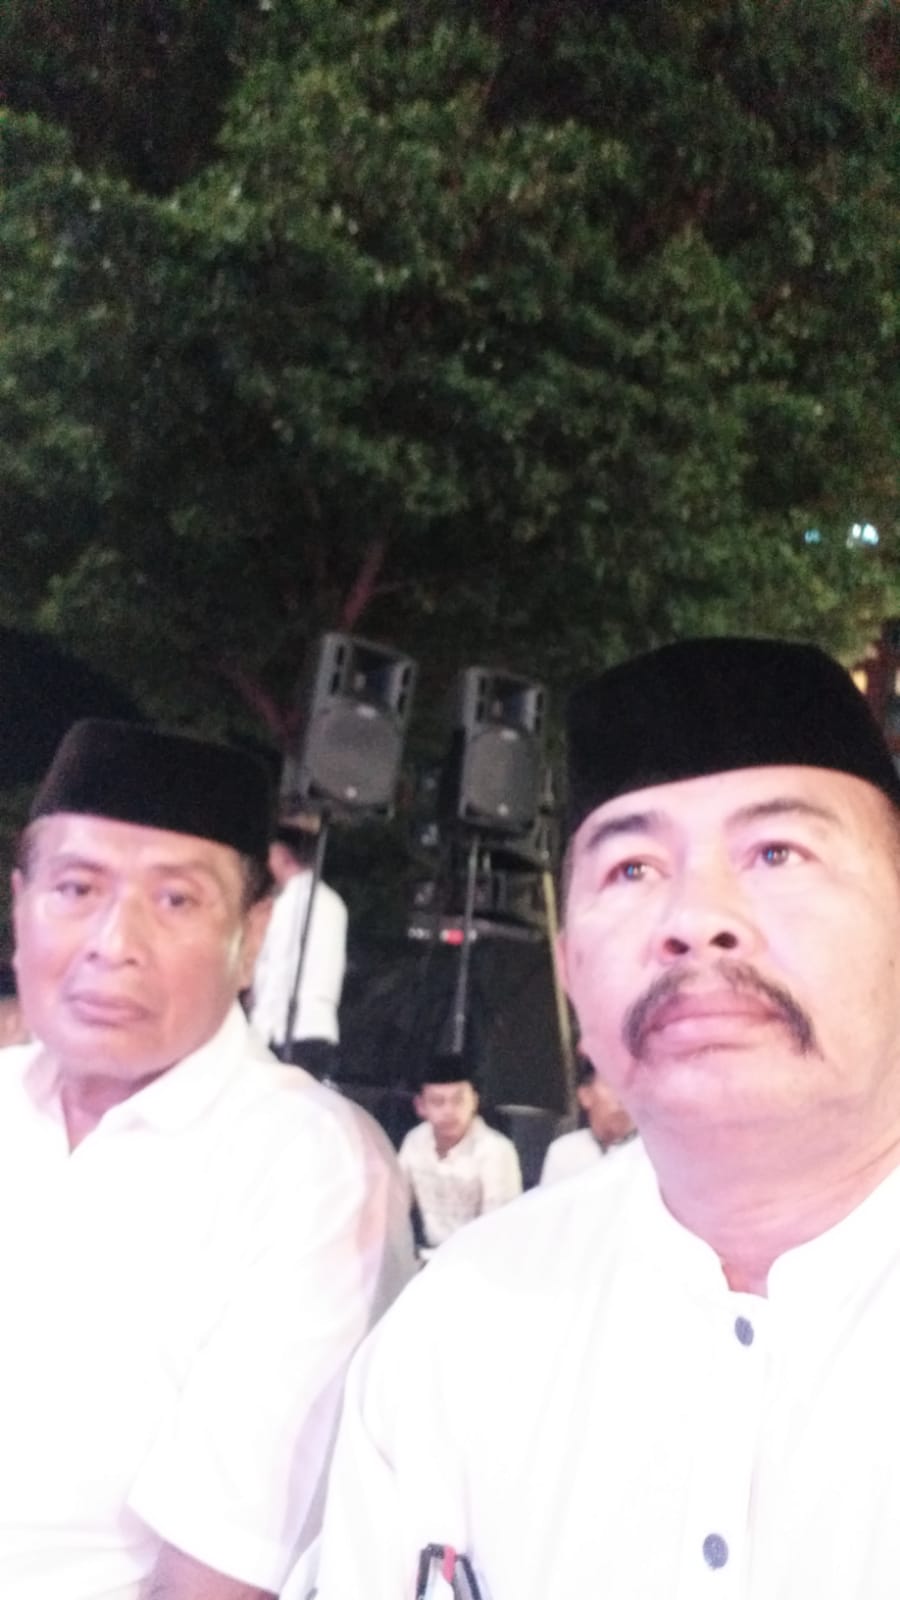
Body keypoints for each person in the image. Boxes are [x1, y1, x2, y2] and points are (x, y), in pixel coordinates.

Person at [310, 637, 900, 1600]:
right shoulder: (459, 1326)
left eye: (776, 852)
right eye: (630, 869)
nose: (696, 916)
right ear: (570, 969)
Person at [0, 718, 414, 1600]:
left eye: (176, 901)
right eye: (76, 888)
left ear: (253, 936)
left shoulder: (312, 1168)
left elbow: (220, 1577)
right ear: (19, 906)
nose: (114, 942)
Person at [248, 819, 348, 1078]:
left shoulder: (284, 905)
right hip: (321, 1028)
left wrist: (258, 1032)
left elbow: (275, 970)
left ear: (282, 856)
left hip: (286, 1030)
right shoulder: (334, 903)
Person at [397, 1054, 523, 1255]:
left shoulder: (496, 1150)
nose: (449, 1111)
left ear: (474, 1101)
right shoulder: (415, 1141)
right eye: (438, 1102)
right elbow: (395, 1204)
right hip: (429, 1255)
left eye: (458, 1100)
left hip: (478, 1258)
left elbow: (500, 1229)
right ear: (420, 1106)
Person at [539, 1055, 641, 1185]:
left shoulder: (656, 1151)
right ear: (585, 1095)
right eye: (611, 1084)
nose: (621, 1096)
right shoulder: (564, 1152)